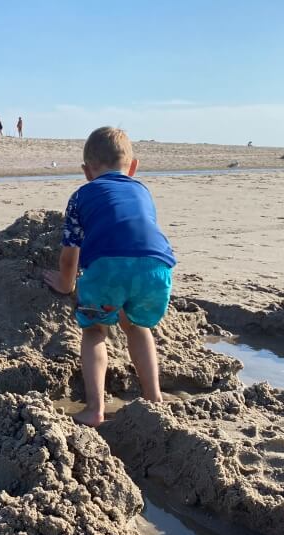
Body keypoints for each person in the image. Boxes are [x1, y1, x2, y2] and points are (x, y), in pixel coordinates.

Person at [43, 126, 176, 427]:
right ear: (133, 167)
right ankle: (154, 397)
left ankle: (95, 408)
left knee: (95, 332)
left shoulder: (81, 196)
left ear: (87, 171)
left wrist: (67, 284)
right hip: (156, 269)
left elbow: (70, 254)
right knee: (138, 328)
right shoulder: (142, 189)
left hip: (107, 270)